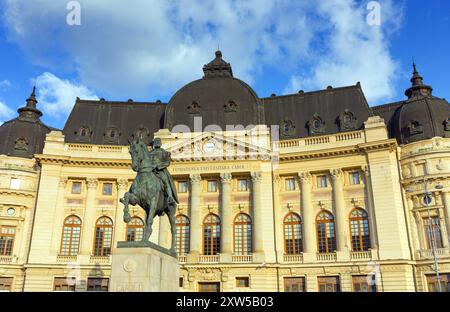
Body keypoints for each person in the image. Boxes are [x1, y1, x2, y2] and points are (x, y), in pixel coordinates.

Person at [148, 137, 179, 205]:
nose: (157, 144)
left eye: (158, 142)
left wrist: (159, 166)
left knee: (166, 182)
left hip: (160, 171)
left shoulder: (165, 153)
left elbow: (167, 163)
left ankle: (170, 197)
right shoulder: (149, 153)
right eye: (156, 142)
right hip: (151, 171)